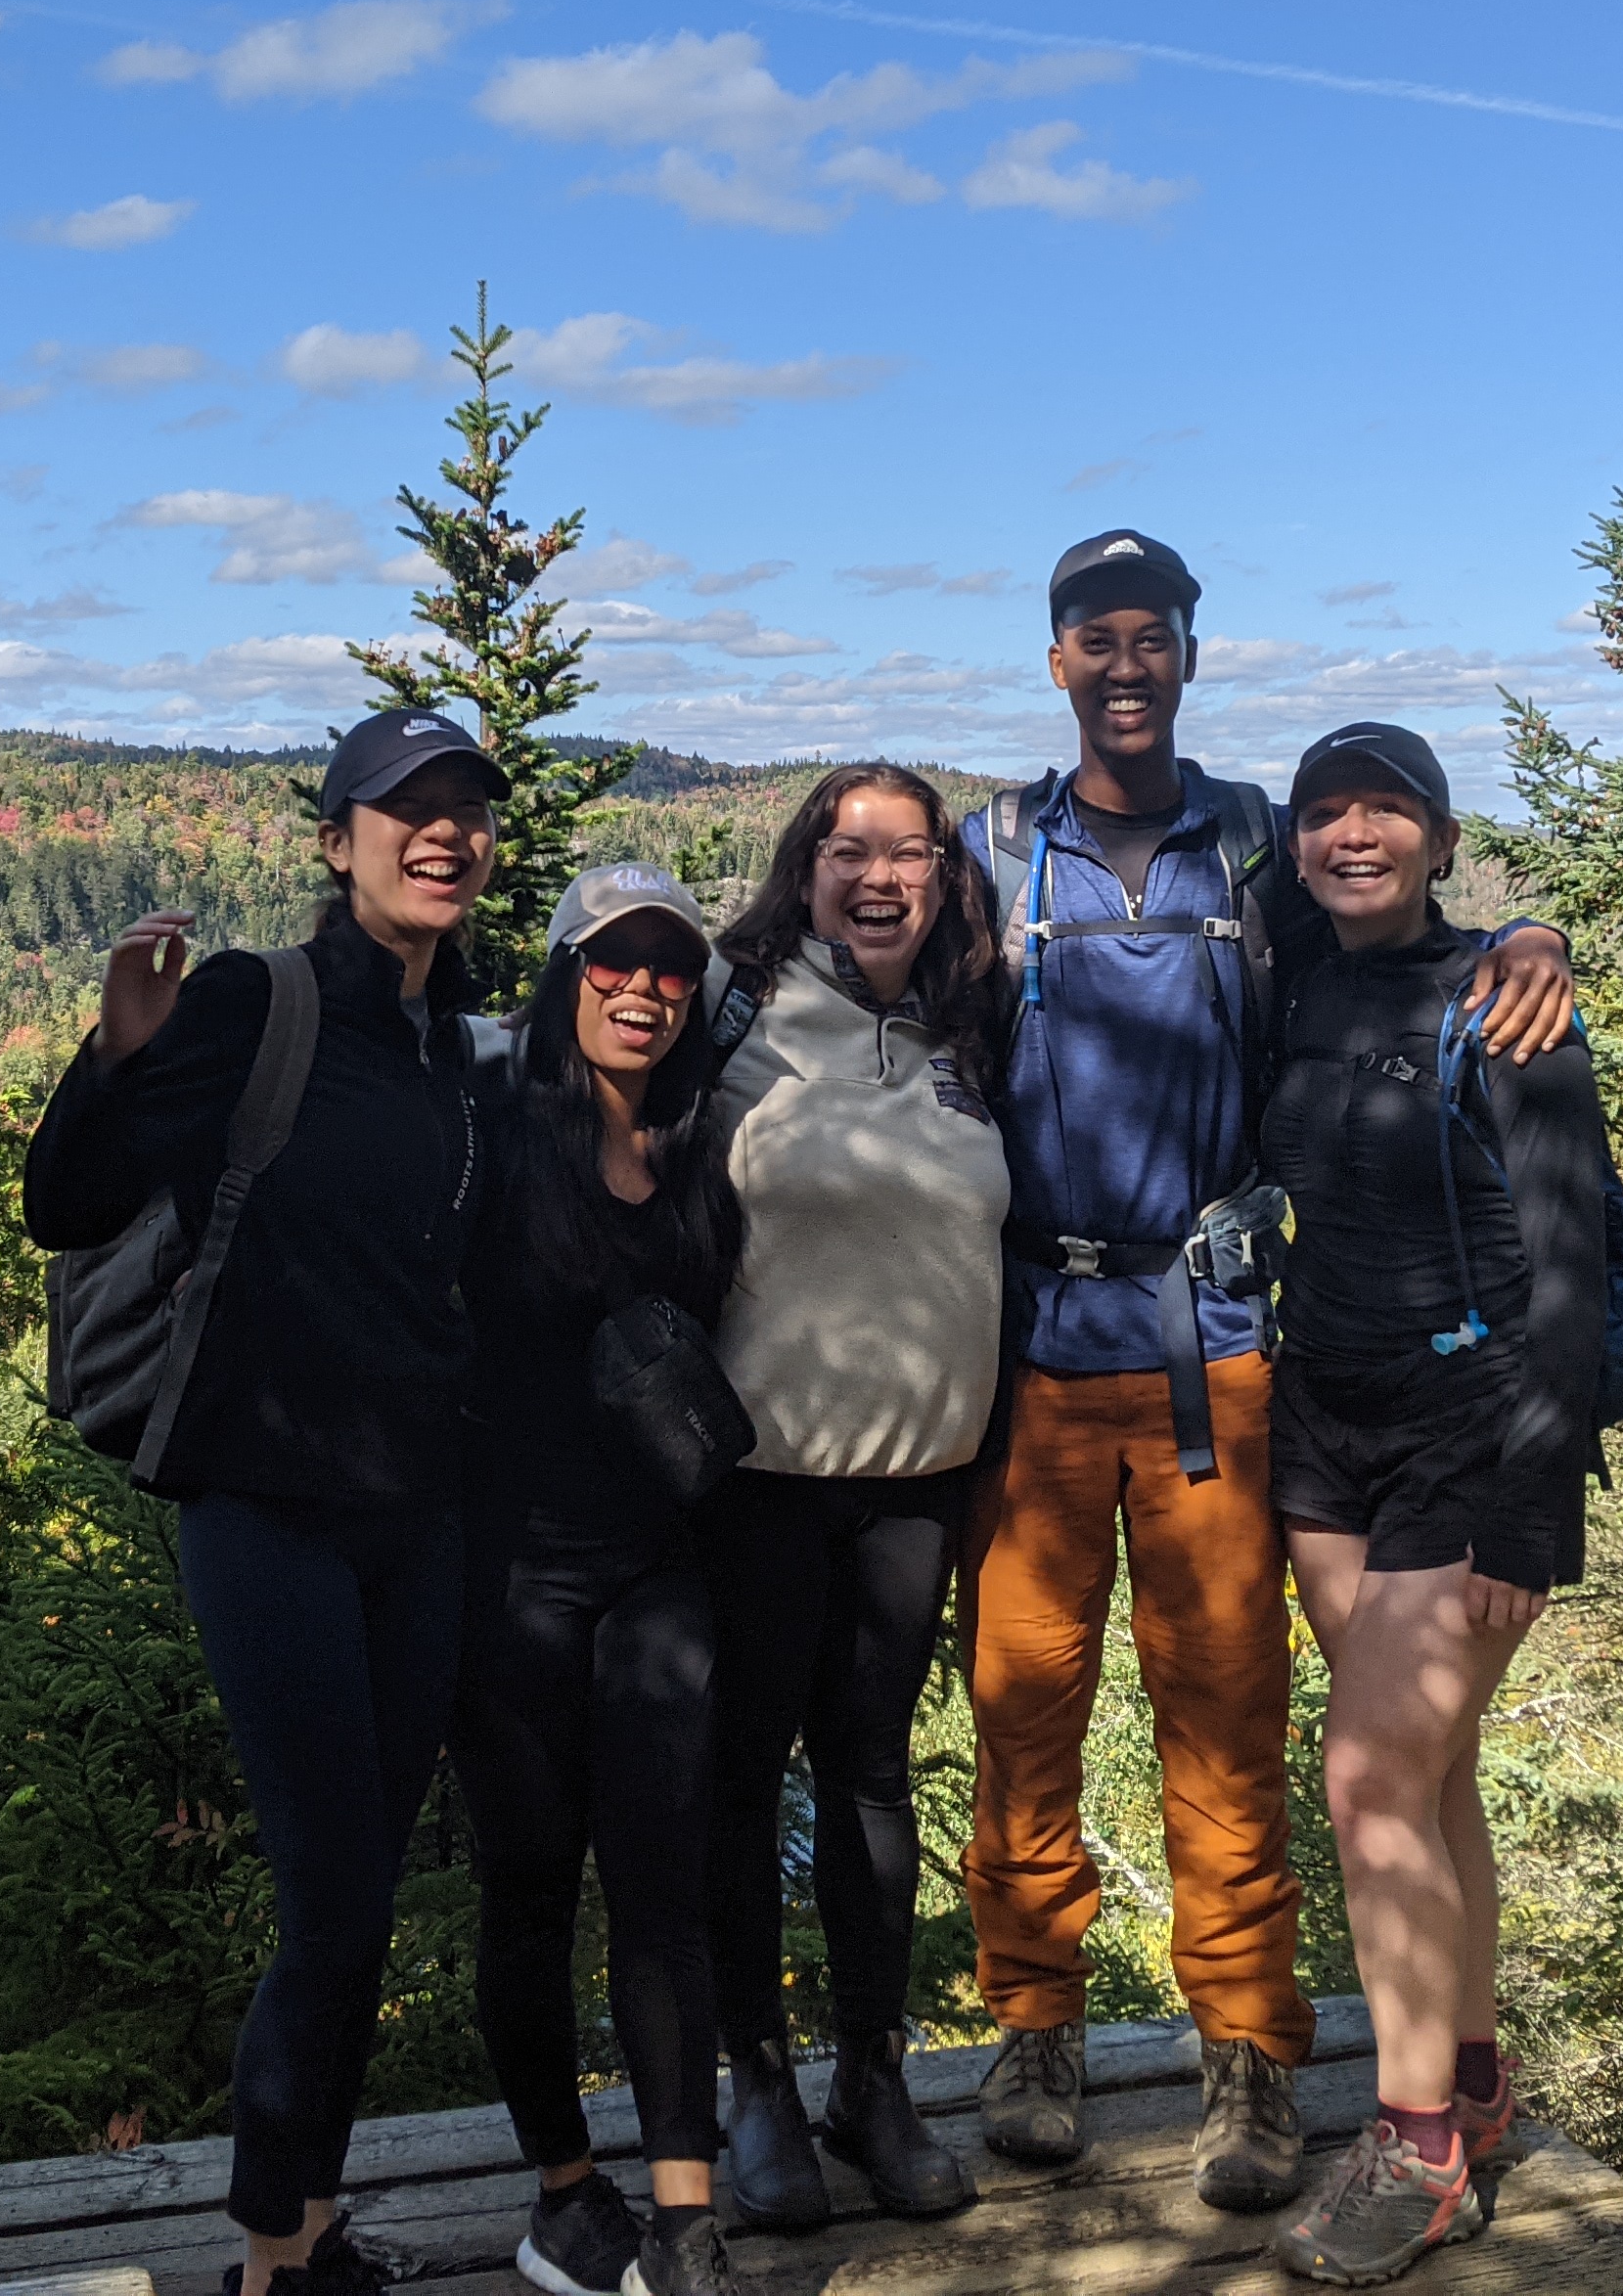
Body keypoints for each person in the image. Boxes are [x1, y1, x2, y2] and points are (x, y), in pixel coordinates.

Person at [956, 532, 1575, 2217]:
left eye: (1156, 638)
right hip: (1025, 1352)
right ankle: (1037, 2029)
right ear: (1062, 661)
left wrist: (1530, 931)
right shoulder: (994, 849)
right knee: (1023, 1710)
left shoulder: (1255, 855)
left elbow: (1408, 927)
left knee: (1227, 1722)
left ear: (1188, 661)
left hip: (1216, 1359)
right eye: (1101, 638)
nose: (1129, 663)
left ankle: (1248, 2051)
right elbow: (857, 964)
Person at [23, 706, 508, 2296]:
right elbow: (67, 1202)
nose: (443, 835)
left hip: (416, 1525)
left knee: (360, 1908)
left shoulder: (463, 1038)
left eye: (467, 812)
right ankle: (263, 2257)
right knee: (337, 1901)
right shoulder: (261, 1001)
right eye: (405, 811)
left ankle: (305, 2229)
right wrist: (118, 1054)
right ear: (335, 839)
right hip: (266, 1507)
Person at [1254, 720, 1608, 2285]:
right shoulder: (1295, 977)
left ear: (1443, 841)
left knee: (1364, 1783)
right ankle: (1473, 2083)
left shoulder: (1512, 1004)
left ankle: (1412, 2152)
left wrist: (1534, 1513)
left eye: (1384, 811)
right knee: (1427, 1766)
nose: (1351, 835)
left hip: (1473, 1435)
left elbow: (1574, 1267)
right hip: (1326, 1427)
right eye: (1324, 813)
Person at [698, 764, 1012, 2233]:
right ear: (803, 867)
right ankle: (754, 2083)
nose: (880, 876)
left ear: (947, 877)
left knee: (873, 1782)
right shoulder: (730, 1004)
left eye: (911, 853)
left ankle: (871, 2083)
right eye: (849, 850)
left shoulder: (975, 1026)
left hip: (918, 1483)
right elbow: (572, 1085)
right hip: (759, 1481)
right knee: (745, 1780)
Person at [446, 862, 746, 2296]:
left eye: (670, 966)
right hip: (510, 1579)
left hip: (657, 1570)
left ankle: (686, 2226)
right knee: (529, 1888)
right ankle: (567, 2195)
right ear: (564, 977)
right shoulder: (493, 1128)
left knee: (663, 1887)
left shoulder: (697, 1139)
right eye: (611, 962)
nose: (642, 987)